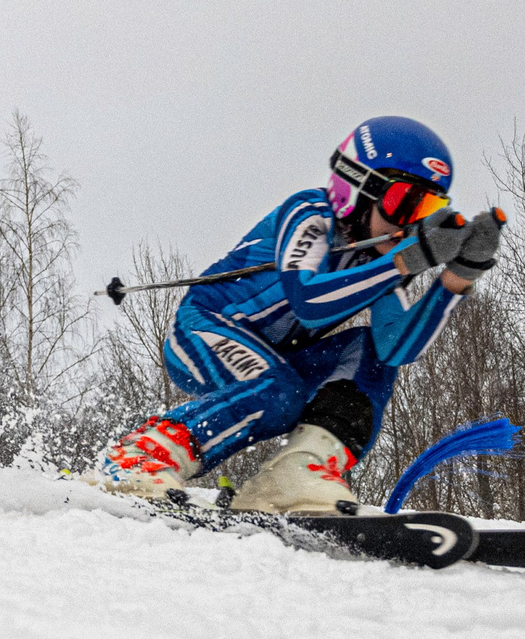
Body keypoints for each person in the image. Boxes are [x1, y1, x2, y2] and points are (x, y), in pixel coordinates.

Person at [88, 116, 504, 514]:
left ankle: (294, 474)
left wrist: (455, 279)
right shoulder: (310, 214)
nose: (413, 224)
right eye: (405, 204)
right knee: (278, 389)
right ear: (358, 188)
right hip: (202, 330)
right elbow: (308, 299)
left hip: (276, 359)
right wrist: (405, 261)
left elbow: (396, 347)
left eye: (428, 210)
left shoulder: (382, 263)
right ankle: (141, 455)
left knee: (370, 354)